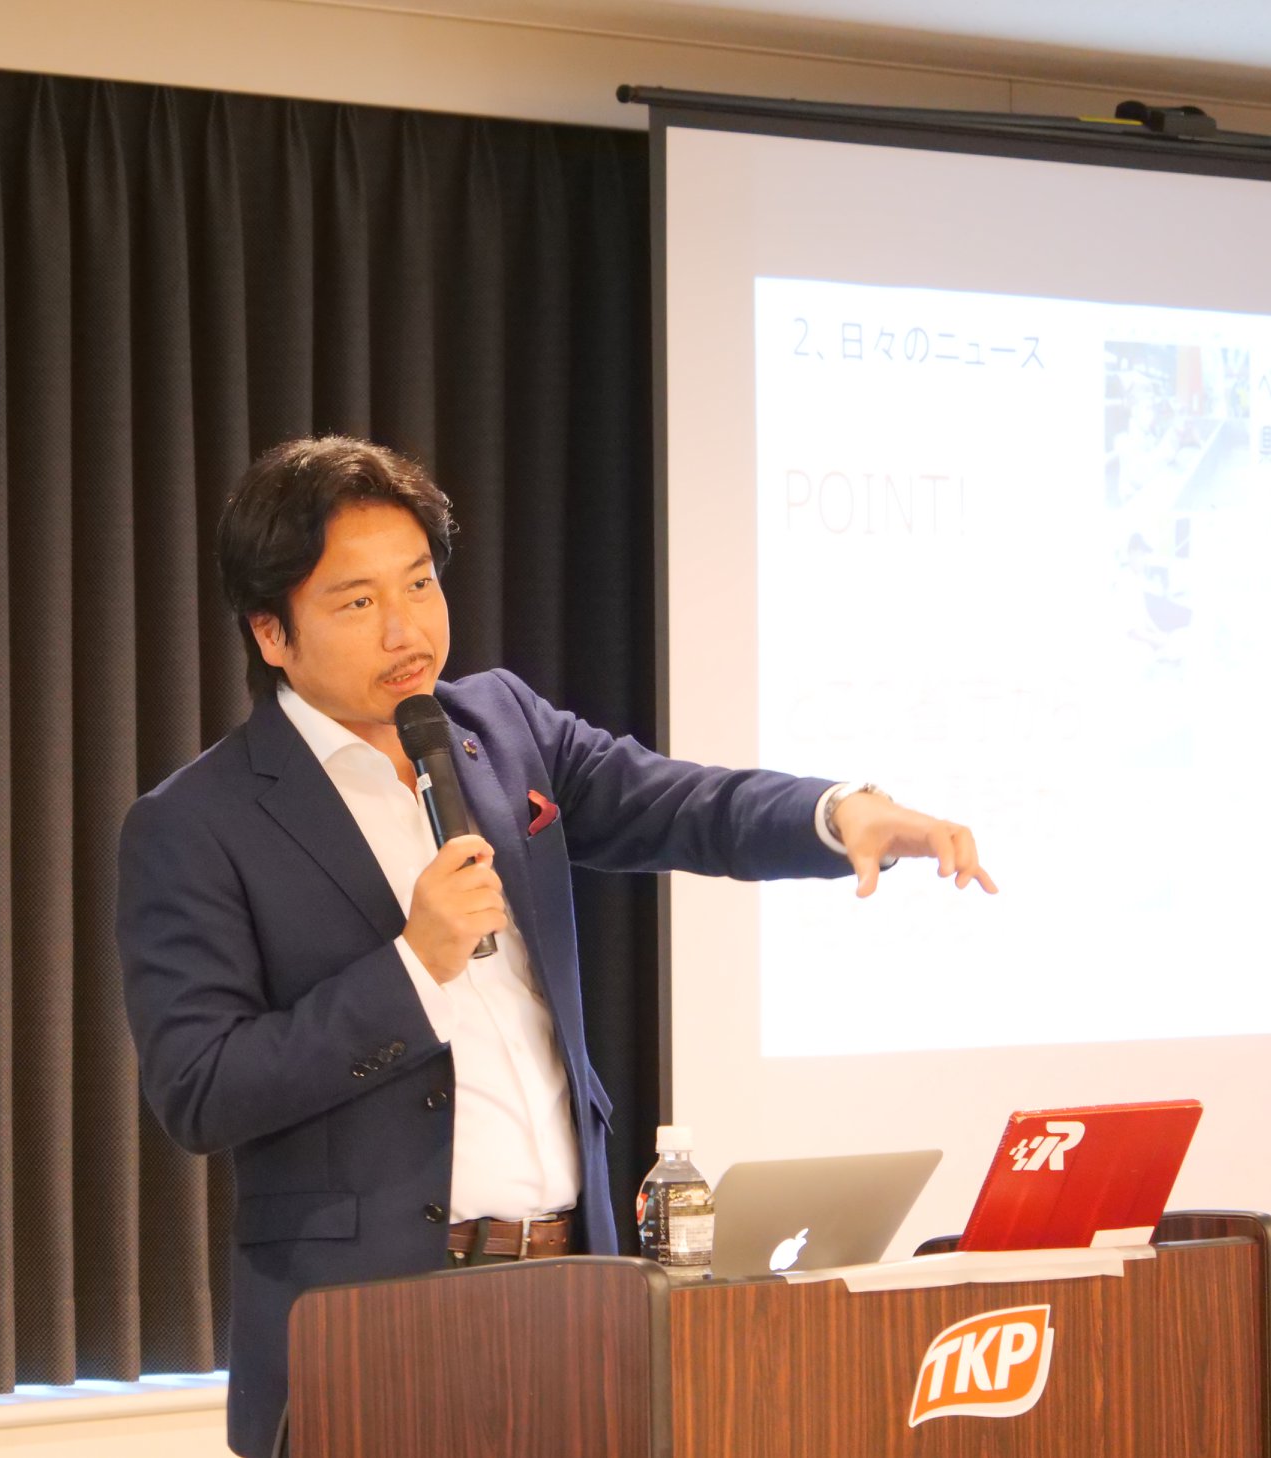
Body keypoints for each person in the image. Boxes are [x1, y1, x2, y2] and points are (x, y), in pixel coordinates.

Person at [116, 436, 996, 1458]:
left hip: (576, 1298)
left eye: (419, 583)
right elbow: (200, 1088)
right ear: (272, 632)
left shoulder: (501, 727)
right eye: (358, 602)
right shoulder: (197, 823)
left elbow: (682, 803)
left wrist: (835, 814)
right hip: (371, 1327)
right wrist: (412, 966)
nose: (406, 628)